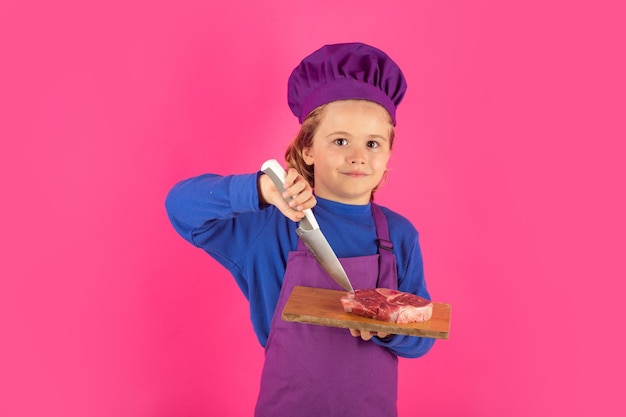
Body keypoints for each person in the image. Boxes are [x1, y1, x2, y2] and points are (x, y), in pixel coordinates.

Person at [165, 42, 435, 417]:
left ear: (388, 154)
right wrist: (258, 189)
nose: (358, 155)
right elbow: (180, 207)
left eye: (372, 143)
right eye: (340, 140)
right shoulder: (272, 225)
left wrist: (387, 326)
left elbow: (423, 339)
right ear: (308, 149)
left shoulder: (400, 236)